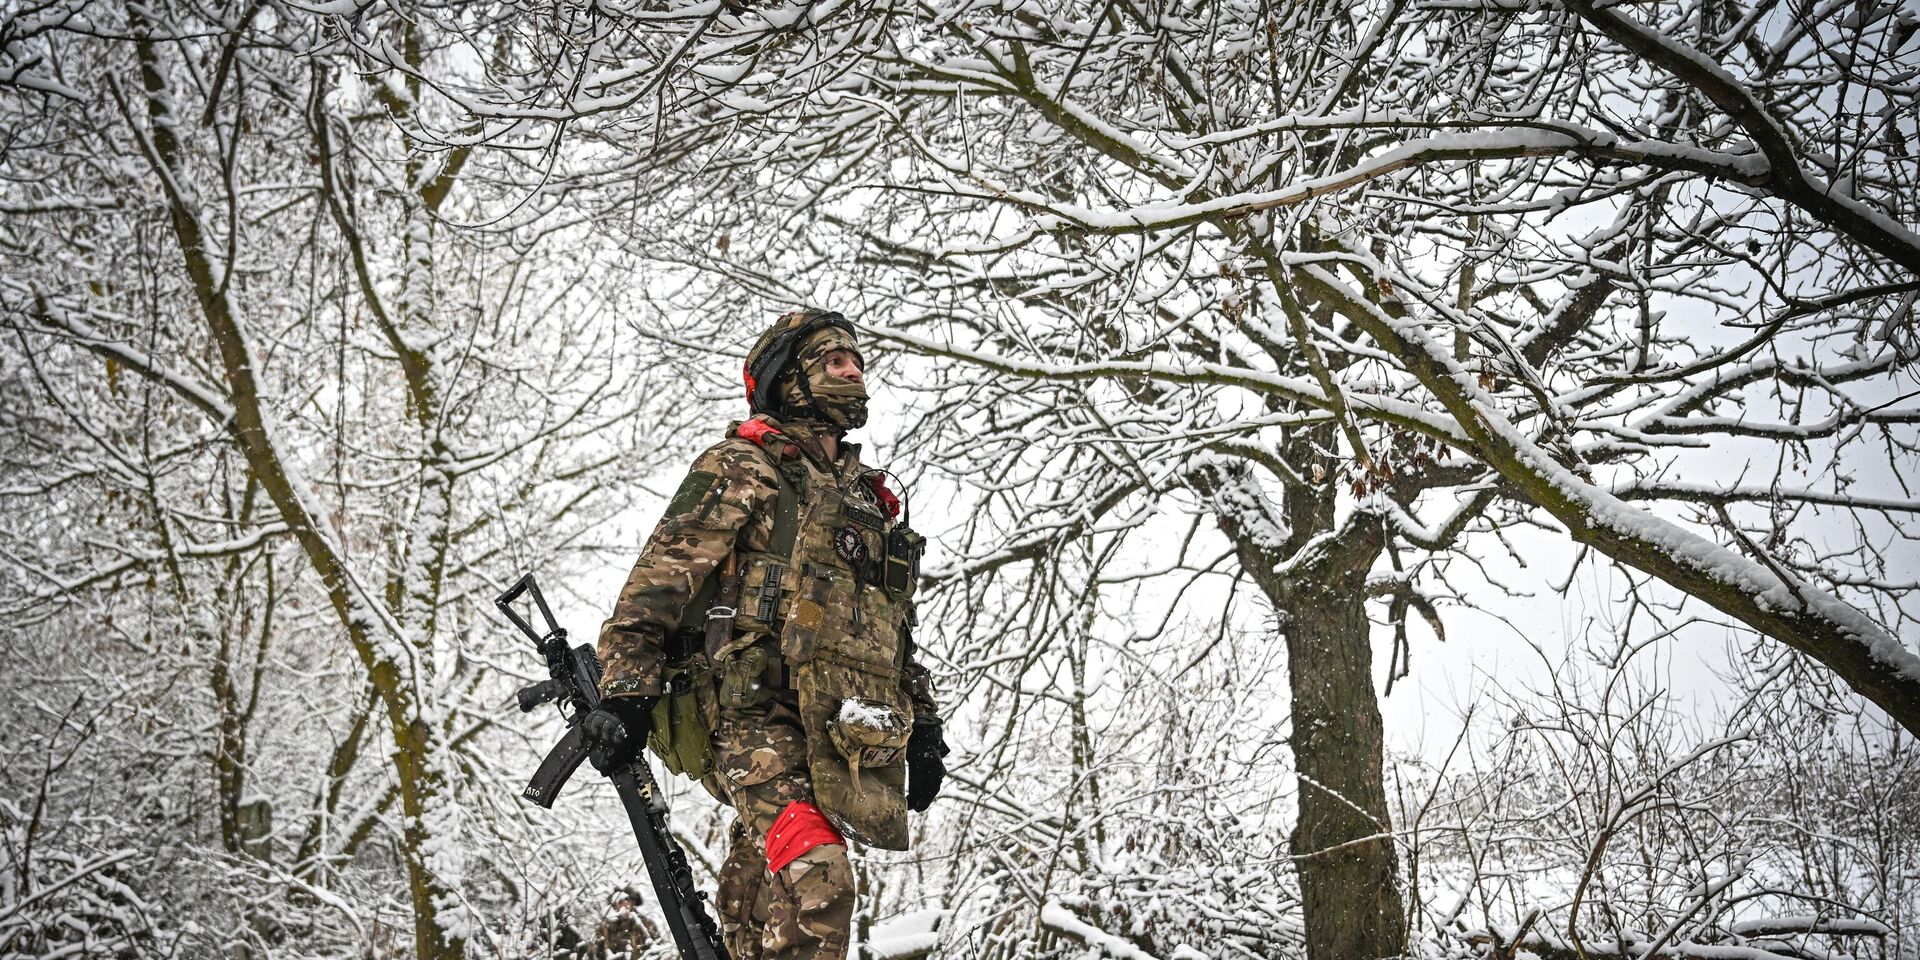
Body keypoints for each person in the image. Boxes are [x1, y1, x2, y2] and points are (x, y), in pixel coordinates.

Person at [586, 309, 948, 960]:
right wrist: (624, 695)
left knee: (763, 904)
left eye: (856, 361)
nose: (853, 370)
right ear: (790, 379)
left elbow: (895, 632)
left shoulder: (869, 505)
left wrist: (924, 728)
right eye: (834, 360)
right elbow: (651, 592)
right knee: (821, 881)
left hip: (838, 734)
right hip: (750, 720)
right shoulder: (744, 467)